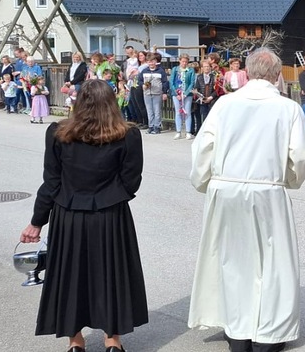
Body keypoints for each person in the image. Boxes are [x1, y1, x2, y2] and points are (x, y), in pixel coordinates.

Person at [188, 49, 305, 352]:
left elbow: (204, 147)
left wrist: (204, 181)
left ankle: (238, 333)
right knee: (273, 264)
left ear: (248, 72)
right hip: (267, 190)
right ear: (277, 75)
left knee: (233, 261)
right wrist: (289, 181)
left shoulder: (224, 104)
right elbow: (297, 155)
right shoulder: (288, 108)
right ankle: (268, 335)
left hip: (227, 190)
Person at [20, 79, 148, 352]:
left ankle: (75, 342)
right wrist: (109, 196)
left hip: (69, 216)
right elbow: (131, 181)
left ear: (78, 103)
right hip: (110, 216)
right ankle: (112, 341)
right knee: (111, 274)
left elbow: (52, 182)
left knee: (71, 276)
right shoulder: (128, 135)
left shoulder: (58, 132)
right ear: (112, 103)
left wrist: (37, 222)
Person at [138, 55, 169, 135]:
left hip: (157, 93)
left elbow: (165, 82)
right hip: (147, 93)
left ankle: (157, 127)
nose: (151, 63)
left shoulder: (160, 71)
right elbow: (139, 80)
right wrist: (142, 85)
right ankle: (151, 126)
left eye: (152, 61)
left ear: (155, 61)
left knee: (157, 111)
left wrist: (164, 92)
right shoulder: (144, 71)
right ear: (147, 62)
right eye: (149, 61)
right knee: (149, 111)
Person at [170, 54, 196, 140]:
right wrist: (176, 94)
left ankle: (188, 132)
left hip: (187, 95)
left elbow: (192, 83)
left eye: (186, 62)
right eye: (183, 61)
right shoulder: (175, 69)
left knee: (187, 112)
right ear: (180, 61)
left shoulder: (191, 70)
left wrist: (186, 94)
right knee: (178, 112)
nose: (184, 63)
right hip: (177, 94)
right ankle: (178, 132)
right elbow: (171, 82)